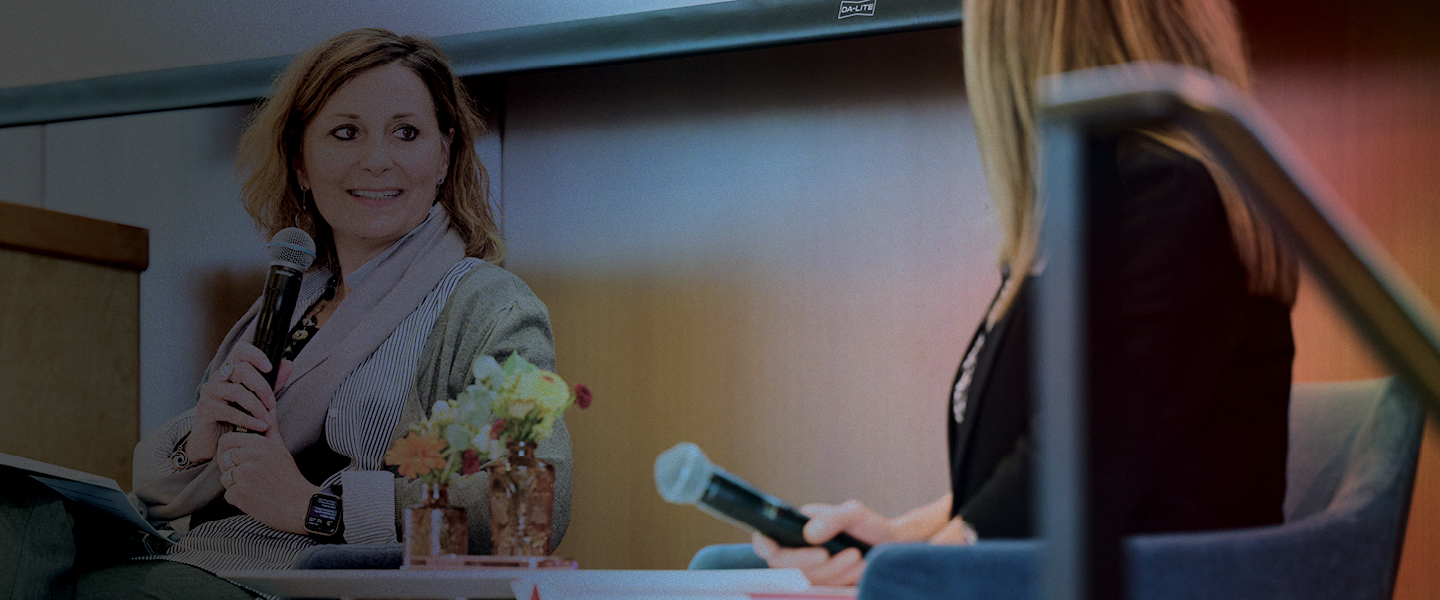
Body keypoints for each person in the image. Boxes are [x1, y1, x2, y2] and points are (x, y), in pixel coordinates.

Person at [1, 28, 570, 599]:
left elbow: (528, 506)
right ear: (299, 160)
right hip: (199, 559)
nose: (377, 160)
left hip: (306, 584)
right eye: (346, 133)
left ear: (443, 156)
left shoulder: (492, 306)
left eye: (406, 133)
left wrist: (316, 508)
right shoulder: (287, 301)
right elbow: (165, 493)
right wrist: (201, 440)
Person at [751, 0, 1297, 586]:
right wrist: (895, 539)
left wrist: (917, 567)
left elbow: (1077, 462)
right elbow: (1030, 466)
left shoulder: (1173, 196)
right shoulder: (1076, 213)